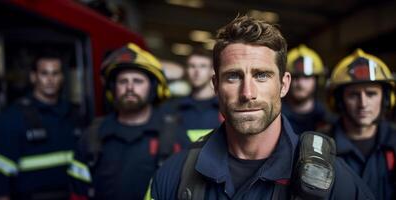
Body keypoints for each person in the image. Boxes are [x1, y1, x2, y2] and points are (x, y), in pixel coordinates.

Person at [149, 15, 375, 200]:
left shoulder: (335, 181)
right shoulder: (175, 176)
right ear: (216, 86)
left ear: (284, 84)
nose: (247, 93)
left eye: (261, 75)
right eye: (233, 77)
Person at [68, 43, 188, 200]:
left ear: (152, 88)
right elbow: (78, 194)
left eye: (138, 81)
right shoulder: (92, 137)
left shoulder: (174, 137)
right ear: (113, 88)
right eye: (123, 81)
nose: (130, 87)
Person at [0, 52, 84, 200]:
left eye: (55, 73)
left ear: (62, 77)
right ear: (34, 77)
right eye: (44, 73)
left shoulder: (73, 115)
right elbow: (1, 177)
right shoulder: (13, 117)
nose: (50, 79)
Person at [324, 49, 396, 200]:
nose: (363, 104)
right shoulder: (320, 147)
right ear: (339, 101)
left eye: (371, 94)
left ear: (386, 99)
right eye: (353, 95)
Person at [162, 49, 222, 142]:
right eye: (192, 66)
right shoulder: (174, 108)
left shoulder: (224, 106)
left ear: (212, 71)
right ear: (186, 70)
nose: (197, 72)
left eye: (203, 66)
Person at [282, 44, 334, 134]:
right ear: (285, 80)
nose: (300, 83)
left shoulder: (327, 119)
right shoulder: (275, 116)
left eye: (307, 77)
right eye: (295, 77)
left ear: (317, 80)